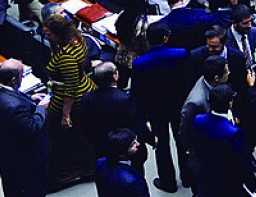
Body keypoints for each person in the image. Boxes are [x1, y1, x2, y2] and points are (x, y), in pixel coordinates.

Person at [131, 21, 191, 192]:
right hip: (179, 105)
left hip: (155, 110)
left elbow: (137, 93)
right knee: (182, 141)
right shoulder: (181, 54)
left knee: (161, 145)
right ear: (165, 38)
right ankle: (188, 177)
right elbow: (187, 80)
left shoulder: (140, 63)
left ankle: (168, 181)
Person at [42, 13, 97, 190]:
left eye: (49, 34)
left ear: (59, 34)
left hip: (71, 100)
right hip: (84, 87)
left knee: (64, 136)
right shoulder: (77, 38)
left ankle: (70, 171)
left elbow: (70, 89)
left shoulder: (67, 57)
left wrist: (66, 115)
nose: (46, 37)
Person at [0, 59, 50, 197]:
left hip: (2, 152)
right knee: (34, 190)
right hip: (24, 159)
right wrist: (41, 108)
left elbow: (11, 94)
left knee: (11, 188)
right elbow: (32, 126)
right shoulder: (14, 107)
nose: (22, 78)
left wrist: (29, 98)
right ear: (13, 79)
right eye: (21, 76)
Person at [81, 63, 153, 169]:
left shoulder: (87, 98)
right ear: (115, 76)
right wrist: (151, 139)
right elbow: (138, 124)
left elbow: (85, 126)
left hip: (102, 148)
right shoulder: (125, 99)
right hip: (127, 148)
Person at [193, 84, 256, 197]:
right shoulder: (234, 133)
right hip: (228, 181)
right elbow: (242, 162)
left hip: (206, 175)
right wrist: (252, 184)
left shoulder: (198, 120)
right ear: (230, 103)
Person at [94, 128, 151, 197]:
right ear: (122, 154)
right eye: (133, 144)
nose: (138, 144)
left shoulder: (100, 162)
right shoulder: (134, 182)